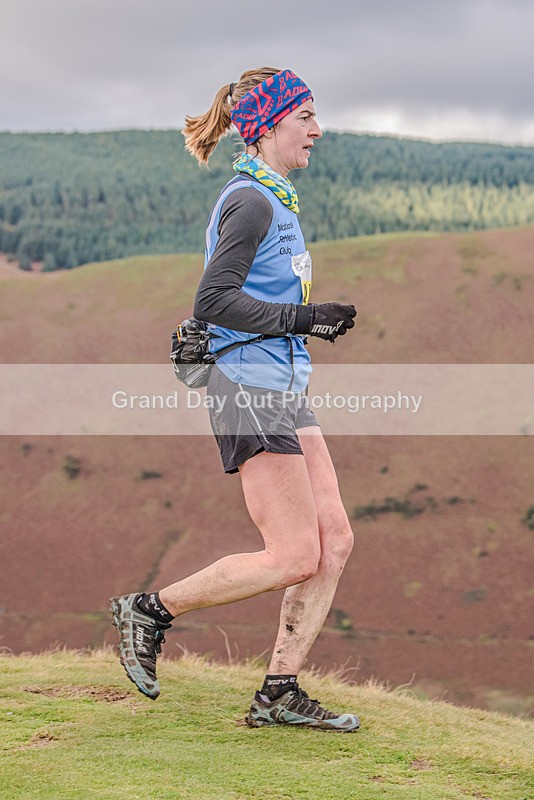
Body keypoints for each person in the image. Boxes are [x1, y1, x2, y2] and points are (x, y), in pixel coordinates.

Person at [110, 67, 359, 731]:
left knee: (333, 539)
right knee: (292, 555)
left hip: (281, 388)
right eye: (305, 115)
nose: (317, 128)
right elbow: (213, 299)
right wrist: (305, 320)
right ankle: (149, 611)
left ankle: (279, 692)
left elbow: (221, 306)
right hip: (250, 390)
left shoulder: (275, 200)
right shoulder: (251, 200)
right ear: (272, 122)